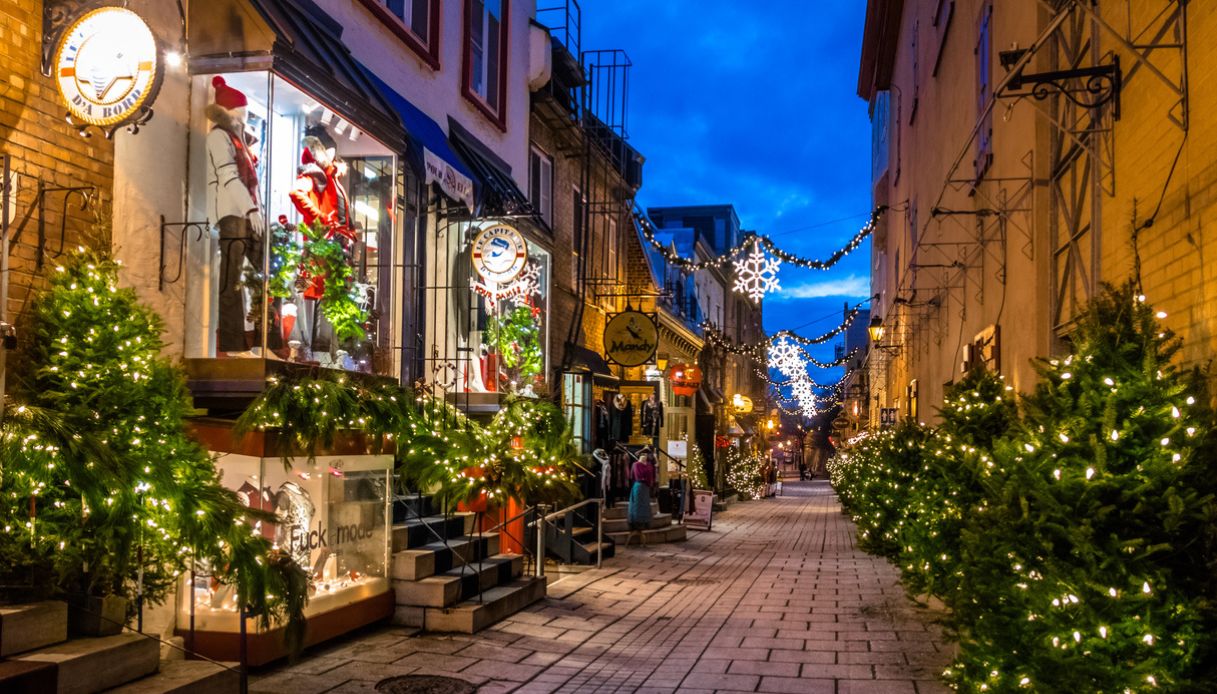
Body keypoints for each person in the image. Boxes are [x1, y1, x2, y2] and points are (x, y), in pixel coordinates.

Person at [627, 450, 656, 532]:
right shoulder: (636, 464)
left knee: (645, 504)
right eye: (643, 457)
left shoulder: (649, 465)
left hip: (646, 487)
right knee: (637, 504)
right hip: (639, 486)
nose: (645, 458)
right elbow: (635, 476)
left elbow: (652, 476)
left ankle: (644, 522)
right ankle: (636, 523)